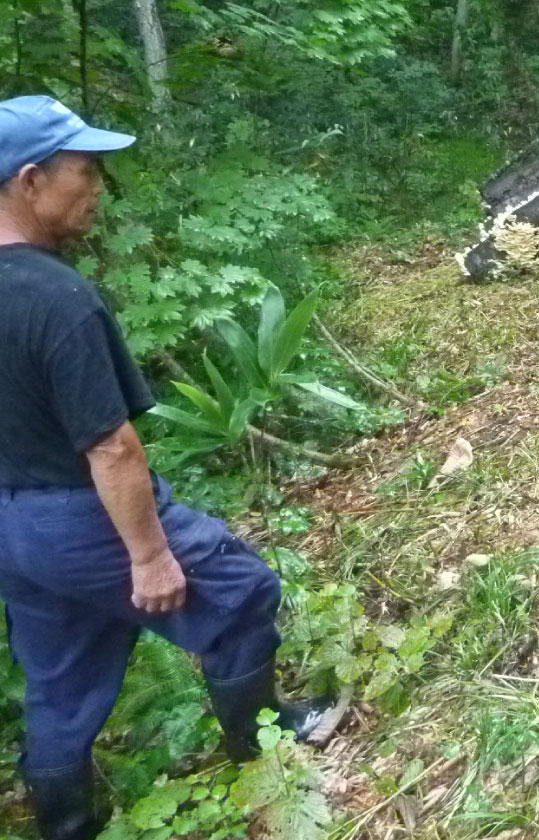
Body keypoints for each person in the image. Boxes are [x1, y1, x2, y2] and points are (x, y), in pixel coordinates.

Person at [0, 96, 327, 840]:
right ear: (29, 181)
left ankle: (67, 827)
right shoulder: (58, 298)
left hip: (11, 524)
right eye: (84, 171)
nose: (97, 189)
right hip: (81, 512)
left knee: (57, 680)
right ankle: (265, 746)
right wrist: (148, 556)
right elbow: (110, 446)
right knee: (241, 593)